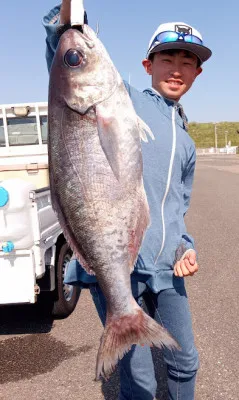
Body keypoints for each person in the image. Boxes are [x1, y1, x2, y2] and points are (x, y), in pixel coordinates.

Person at [43, 3, 212, 399]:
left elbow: (177, 206)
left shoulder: (187, 141)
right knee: (138, 379)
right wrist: (65, 23)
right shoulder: (124, 100)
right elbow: (65, 57)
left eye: (187, 62)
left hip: (167, 267)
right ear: (146, 65)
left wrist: (185, 245)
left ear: (197, 73)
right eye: (166, 58)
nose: (176, 69)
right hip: (121, 271)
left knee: (185, 362)